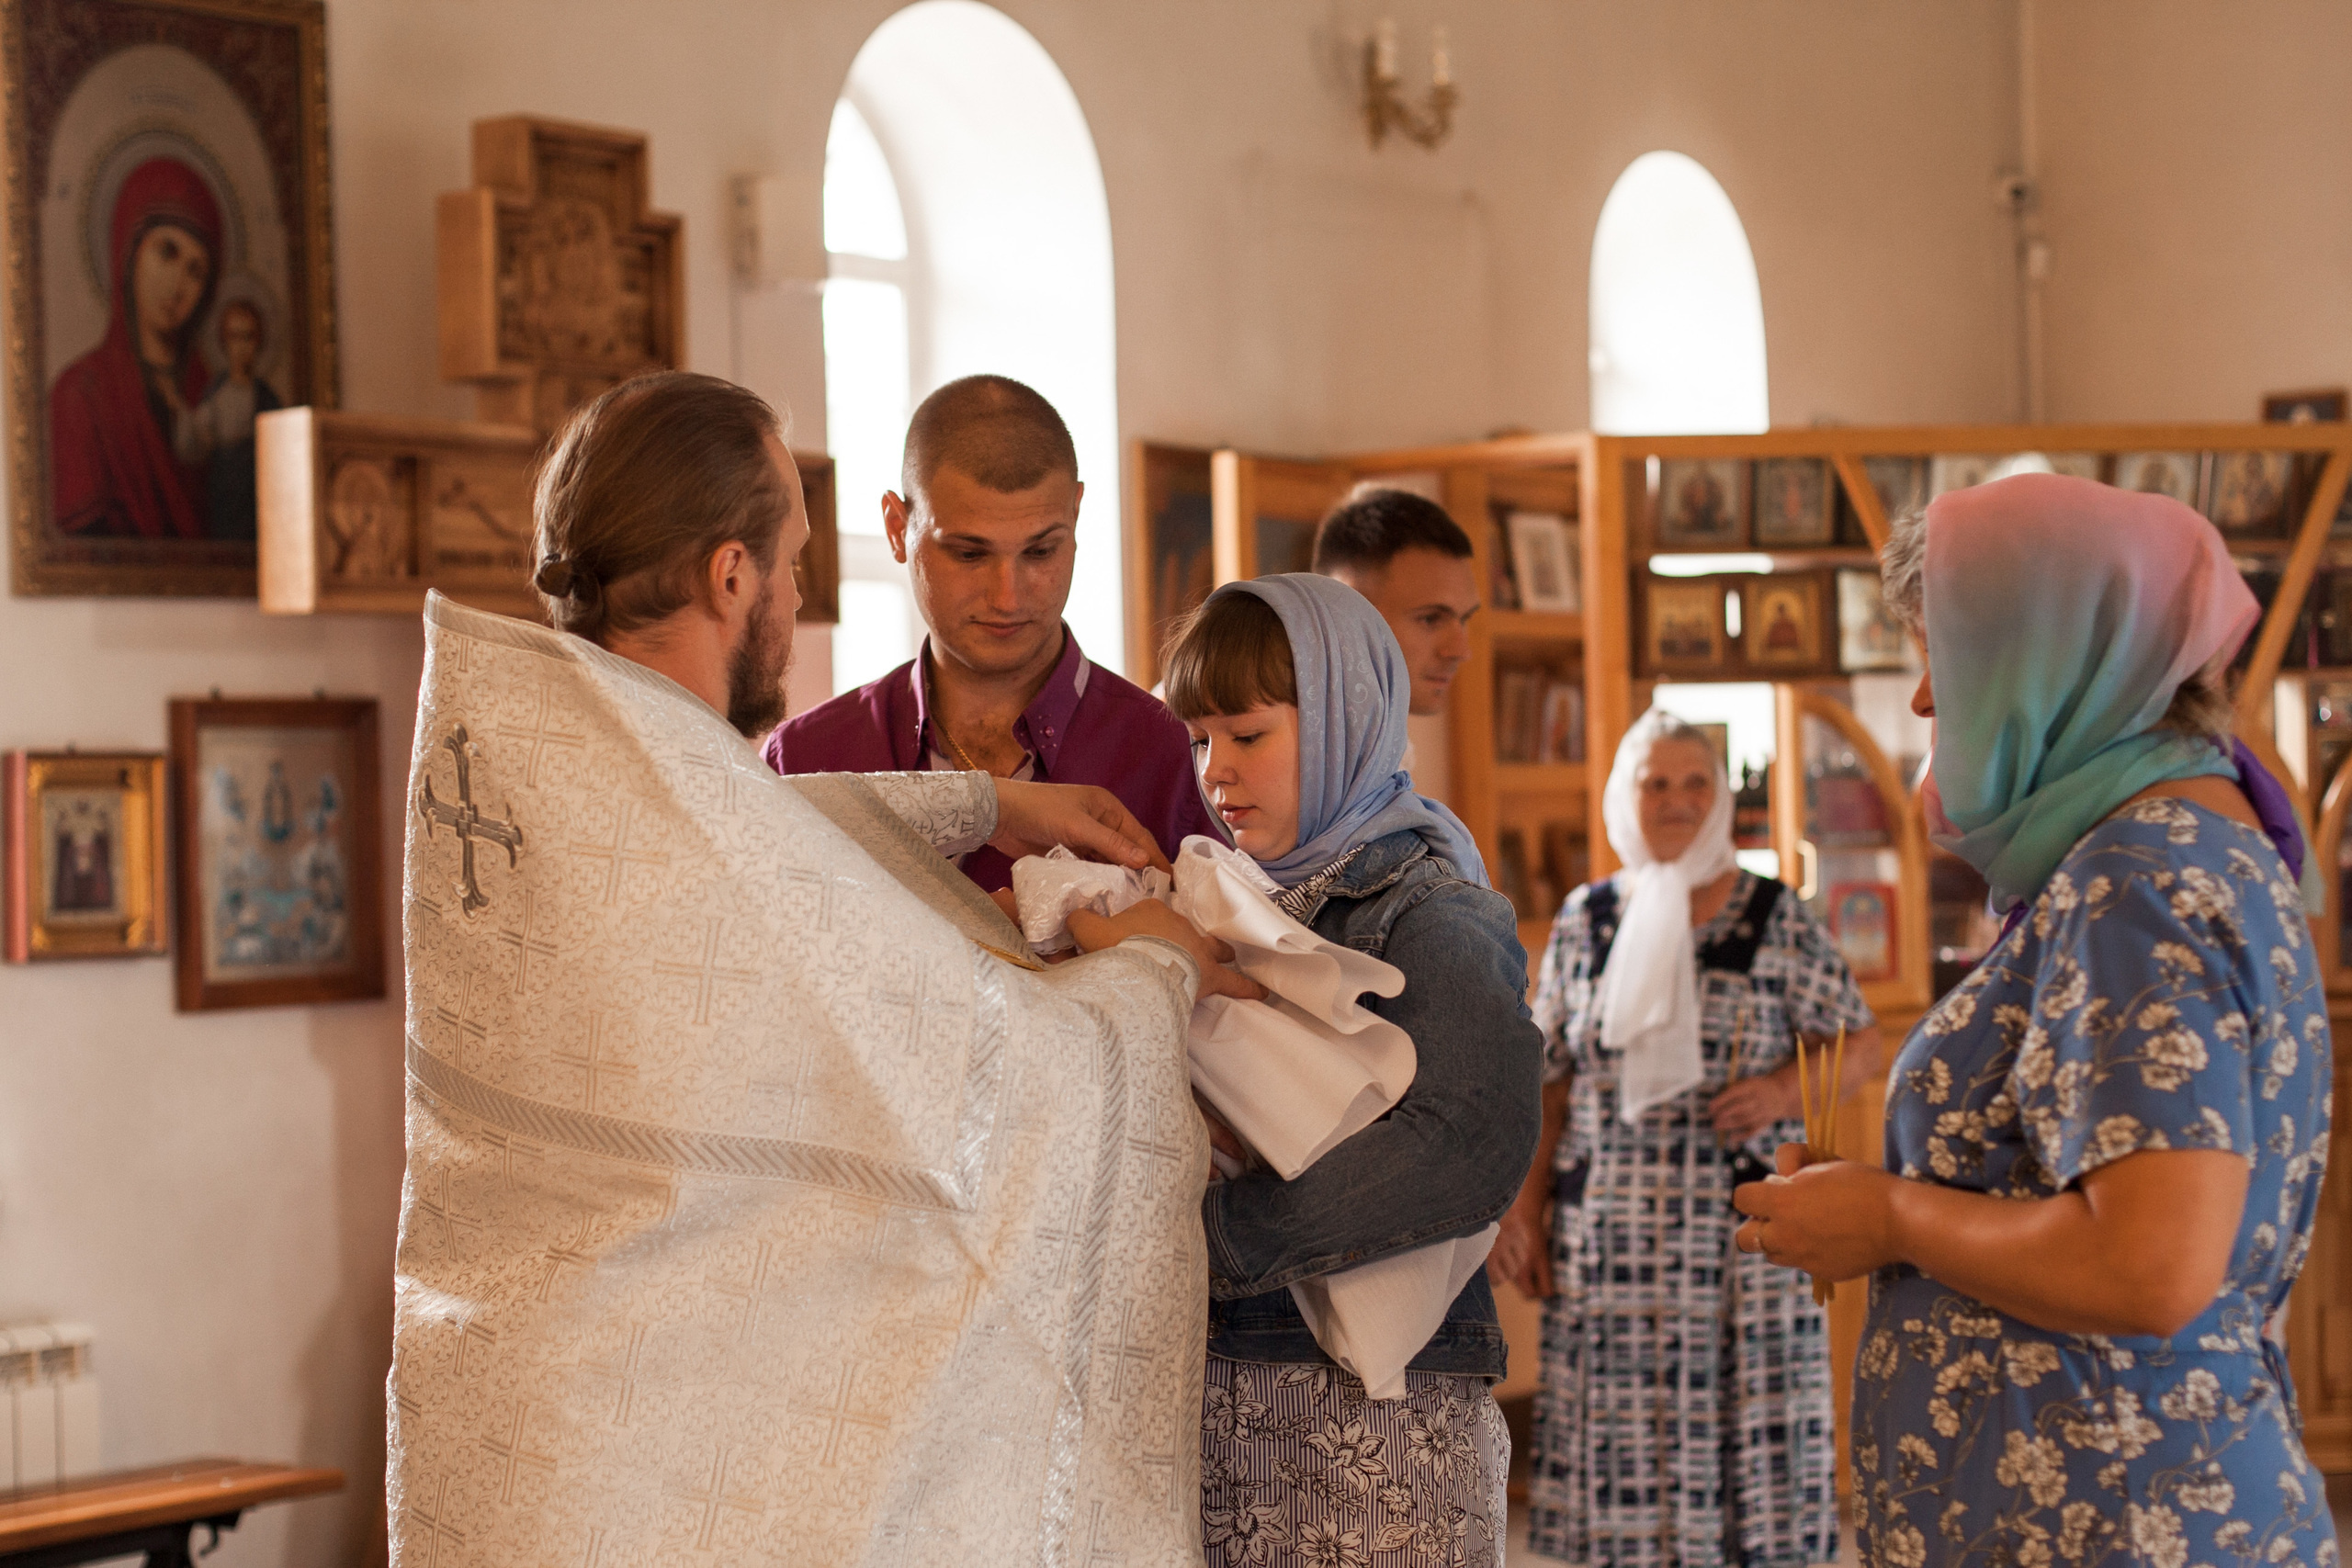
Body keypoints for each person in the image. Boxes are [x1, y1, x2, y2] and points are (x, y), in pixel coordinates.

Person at [387, 371, 1261, 1565]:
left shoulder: (526, 765)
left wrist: (982, 798)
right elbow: (1012, 1080)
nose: (799, 599)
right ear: (729, 573)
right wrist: (1153, 977)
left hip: (520, 1419)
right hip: (652, 1457)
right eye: (795, 562)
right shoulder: (689, 806)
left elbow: (754, 824)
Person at [1734, 475, 2338, 1568]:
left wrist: (1892, 1221)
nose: (1923, 703)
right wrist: (1889, 1197)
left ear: (2052, 659)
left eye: (1945, 655)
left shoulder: (2136, 876)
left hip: (2112, 1516)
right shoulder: (2189, 843)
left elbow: (2149, 1267)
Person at [1158, 573, 1540, 1568]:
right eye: (1199, 740)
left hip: (1376, 1419)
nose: (1216, 773)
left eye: (1246, 734)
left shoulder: (1429, 911)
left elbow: (1466, 1143)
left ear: (1341, 718)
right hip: (1220, 1399)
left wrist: (1212, 1240)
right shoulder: (1227, 898)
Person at [1495, 706, 1881, 1568]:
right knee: (1620, 1444)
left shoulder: (1773, 914)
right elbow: (1547, 1079)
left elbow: (1861, 1040)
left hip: (1743, 1236)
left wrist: (1781, 1087)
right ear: (1625, 797)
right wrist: (1531, 1211)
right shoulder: (1587, 918)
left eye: (1694, 783)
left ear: (1719, 799)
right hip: (1611, 1237)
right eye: (1655, 783)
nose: (1675, 800)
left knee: (1747, 1452)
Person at [768, 374, 1218, 890]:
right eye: (969, 553)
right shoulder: (806, 758)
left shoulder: (1180, 758)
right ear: (898, 528)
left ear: (1075, 514)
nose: (1008, 597)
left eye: (1040, 551)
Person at [50, 156, 222, 539]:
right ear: (129, 253)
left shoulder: (208, 396)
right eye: (167, 252)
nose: (179, 285)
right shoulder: (80, 394)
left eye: (196, 271)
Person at [1311, 487, 1481, 717]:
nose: (1461, 651)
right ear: (1345, 614)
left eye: (1464, 619)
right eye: (1430, 619)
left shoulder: (1389, 749)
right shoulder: (1286, 748)